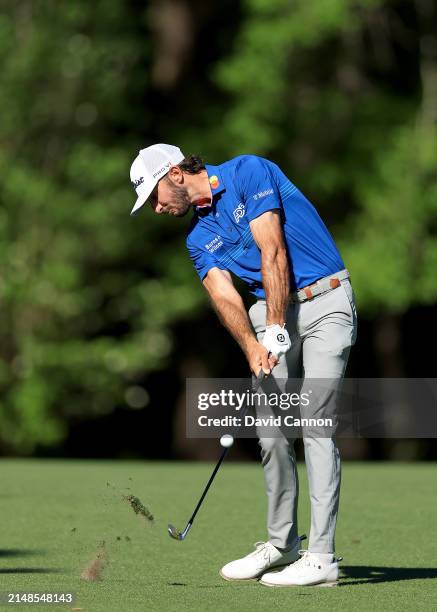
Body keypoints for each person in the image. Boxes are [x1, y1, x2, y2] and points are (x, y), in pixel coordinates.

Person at [129, 143, 357, 587]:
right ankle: (281, 543)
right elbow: (223, 294)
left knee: (314, 422)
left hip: (326, 300)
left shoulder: (248, 172)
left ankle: (322, 556)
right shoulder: (197, 239)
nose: (156, 208)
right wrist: (253, 346)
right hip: (272, 314)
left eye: (155, 195)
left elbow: (272, 249)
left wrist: (273, 327)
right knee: (271, 430)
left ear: (175, 174)